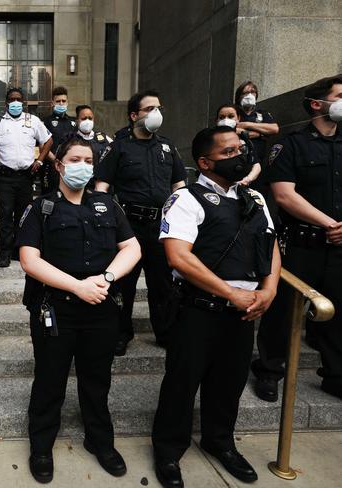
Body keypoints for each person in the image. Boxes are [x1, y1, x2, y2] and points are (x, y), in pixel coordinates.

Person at [151, 126, 280, 488]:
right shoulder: (186, 199)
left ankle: (219, 441)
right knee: (182, 382)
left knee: (229, 382)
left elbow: (269, 246)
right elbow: (178, 257)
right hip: (197, 309)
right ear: (205, 163)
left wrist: (268, 289)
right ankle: (168, 449)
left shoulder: (254, 198)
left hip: (244, 311)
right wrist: (230, 292)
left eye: (240, 148)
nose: (240, 155)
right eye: (229, 153)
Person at [18, 135, 141, 484]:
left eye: (88, 161)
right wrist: (77, 286)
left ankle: (100, 441)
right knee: (49, 379)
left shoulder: (107, 204)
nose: (82, 166)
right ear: (58, 165)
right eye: (74, 160)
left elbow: (131, 247)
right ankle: (41, 445)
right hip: (55, 309)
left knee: (97, 380)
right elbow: (29, 260)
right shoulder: (41, 207)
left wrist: (106, 277)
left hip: (100, 306)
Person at [251, 75, 342, 402]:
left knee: (338, 311)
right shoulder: (290, 144)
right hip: (303, 243)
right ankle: (270, 370)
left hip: (338, 246)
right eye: (340, 95)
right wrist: (330, 223)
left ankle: (335, 374)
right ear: (318, 104)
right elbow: (285, 196)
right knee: (283, 312)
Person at [94, 90, 186, 355]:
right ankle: (121, 333)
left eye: (158, 108)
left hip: (161, 227)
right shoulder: (120, 146)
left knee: (163, 284)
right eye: (149, 109)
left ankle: (165, 332)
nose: (156, 113)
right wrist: (105, 221)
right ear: (134, 115)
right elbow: (102, 187)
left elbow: (179, 187)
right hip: (128, 227)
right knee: (124, 283)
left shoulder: (167, 147)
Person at [0, 87, 53, 268]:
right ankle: (5, 254)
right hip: (5, 177)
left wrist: (40, 160)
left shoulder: (33, 120)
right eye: (12, 99)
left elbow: (48, 140)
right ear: (6, 102)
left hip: (26, 177)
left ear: (23, 102)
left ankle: (19, 251)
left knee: (23, 216)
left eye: (18, 99)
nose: (15, 102)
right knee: (6, 216)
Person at [215, 103, 261, 186]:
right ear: (216, 121)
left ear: (238, 118)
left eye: (230, 116)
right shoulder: (210, 141)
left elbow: (256, 165)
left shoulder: (245, 141)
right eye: (221, 117)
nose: (226, 120)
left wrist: (246, 180)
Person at [233, 81, 280, 163]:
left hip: (259, 158)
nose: (249, 95)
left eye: (252, 92)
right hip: (237, 158)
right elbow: (231, 131)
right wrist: (260, 134)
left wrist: (246, 125)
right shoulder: (233, 112)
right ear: (239, 96)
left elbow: (274, 129)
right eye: (246, 93)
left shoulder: (262, 113)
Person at [42, 86, 77, 194]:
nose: (61, 103)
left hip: (70, 168)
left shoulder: (73, 122)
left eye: (63, 101)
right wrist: (56, 161)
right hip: (51, 168)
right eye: (58, 101)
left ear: (67, 102)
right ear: (52, 103)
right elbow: (42, 145)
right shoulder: (46, 121)